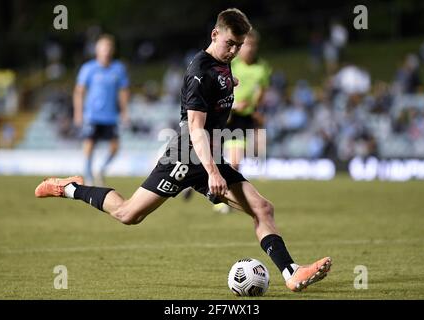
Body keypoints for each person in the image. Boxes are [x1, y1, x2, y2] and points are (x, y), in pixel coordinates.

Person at [35, 8, 331, 292]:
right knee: (128, 214)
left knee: (263, 208)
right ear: (215, 34)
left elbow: (222, 86)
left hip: (209, 157)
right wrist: (213, 172)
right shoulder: (198, 73)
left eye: (238, 46)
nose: (234, 51)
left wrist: (230, 85)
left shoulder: (224, 64)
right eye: (230, 44)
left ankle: (291, 273)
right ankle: (71, 188)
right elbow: (195, 129)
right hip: (186, 156)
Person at [213, 29, 272, 214]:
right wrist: (234, 103)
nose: (249, 49)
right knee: (213, 158)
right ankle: (214, 192)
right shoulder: (231, 64)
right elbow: (217, 87)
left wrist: (256, 109)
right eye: (246, 45)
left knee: (235, 162)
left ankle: (222, 199)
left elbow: (261, 90)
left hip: (243, 119)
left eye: (253, 45)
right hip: (225, 114)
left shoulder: (262, 67)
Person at [73, 34, 130, 186]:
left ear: (113, 50)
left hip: (111, 116)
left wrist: (125, 112)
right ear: (97, 50)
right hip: (92, 115)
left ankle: (101, 170)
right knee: (89, 144)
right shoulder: (88, 68)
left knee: (115, 147)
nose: (106, 50)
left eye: (109, 47)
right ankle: (88, 175)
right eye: (103, 47)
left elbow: (123, 92)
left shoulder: (118, 69)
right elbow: (79, 91)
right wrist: (78, 113)